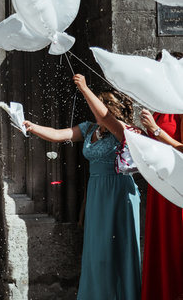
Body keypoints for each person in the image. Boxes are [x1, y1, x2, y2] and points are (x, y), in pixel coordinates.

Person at [23, 74, 141, 299]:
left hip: (119, 194)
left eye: (100, 104)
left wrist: (84, 88)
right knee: (97, 254)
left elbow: (106, 118)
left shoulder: (122, 131)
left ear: (111, 109)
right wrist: (32, 127)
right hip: (97, 193)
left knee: (116, 252)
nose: (94, 110)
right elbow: (58, 135)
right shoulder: (89, 129)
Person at [139, 51, 183, 300]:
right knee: (160, 247)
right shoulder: (158, 105)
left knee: (176, 247)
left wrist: (156, 132)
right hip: (158, 186)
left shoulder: (181, 105)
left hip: (178, 186)